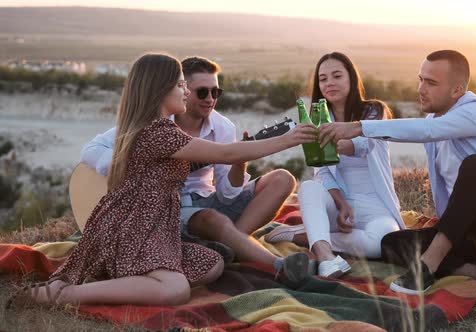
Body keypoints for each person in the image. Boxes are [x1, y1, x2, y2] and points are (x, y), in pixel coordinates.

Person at [7, 53, 317, 308]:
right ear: (160, 90)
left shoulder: (157, 128)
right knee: (176, 290)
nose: (186, 92)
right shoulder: (160, 132)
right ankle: (62, 296)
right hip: (137, 224)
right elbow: (228, 152)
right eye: (182, 86)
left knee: (212, 264)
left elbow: (229, 166)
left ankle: (132, 280)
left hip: (159, 222)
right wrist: (287, 140)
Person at [317, 49, 476, 293]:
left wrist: (357, 127)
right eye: (420, 79)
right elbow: (427, 128)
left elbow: (428, 131)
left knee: (475, 165)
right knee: (391, 243)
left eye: (431, 82)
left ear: (457, 91)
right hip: (469, 230)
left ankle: (427, 267)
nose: (421, 89)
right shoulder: (432, 119)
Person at [80, 56, 300, 267]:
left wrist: (239, 161)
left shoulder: (223, 127)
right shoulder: (156, 125)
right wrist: (138, 162)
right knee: (212, 219)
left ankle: (235, 245)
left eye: (216, 92)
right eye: (202, 92)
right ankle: (269, 261)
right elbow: (90, 151)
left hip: (206, 199)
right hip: (169, 208)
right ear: (179, 88)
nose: (210, 99)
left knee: (283, 179)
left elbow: (228, 194)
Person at [265, 52, 405, 278]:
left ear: (351, 78)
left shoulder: (374, 111)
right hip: (337, 202)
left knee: (380, 244)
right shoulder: (316, 117)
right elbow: (321, 170)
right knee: (310, 186)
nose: (329, 83)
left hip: (374, 205)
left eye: (337, 76)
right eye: (323, 79)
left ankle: (305, 235)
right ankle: (326, 257)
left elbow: (363, 145)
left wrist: (331, 142)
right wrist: (341, 204)